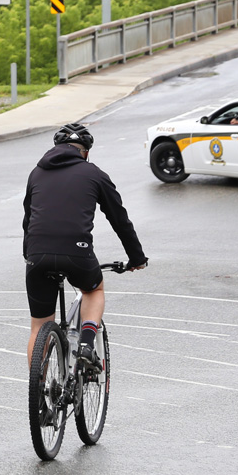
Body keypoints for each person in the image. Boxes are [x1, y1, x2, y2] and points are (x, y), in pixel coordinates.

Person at [22, 124, 147, 367]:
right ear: (86, 152)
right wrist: (136, 258)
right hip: (76, 252)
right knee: (93, 290)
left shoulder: (36, 173)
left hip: (37, 255)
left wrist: (30, 254)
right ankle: (87, 345)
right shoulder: (94, 174)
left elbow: (28, 221)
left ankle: (41, 393)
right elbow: (119, 219)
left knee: (38, 327)